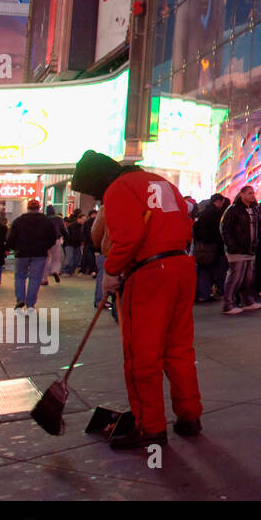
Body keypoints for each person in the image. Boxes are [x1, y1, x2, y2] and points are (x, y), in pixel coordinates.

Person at [71, 149, 203, 451]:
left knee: (142, 355)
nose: (97, 198)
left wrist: (112, 270)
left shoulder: (118, 189)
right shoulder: (162, 182)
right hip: (182, 267)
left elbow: (129, 236)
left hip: (149, 273)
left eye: (94, 192)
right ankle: (189, 416)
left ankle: (150, 427)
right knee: (179, 349)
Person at [219, 186, 261, 315]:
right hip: (237, 250)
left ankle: (247, 301)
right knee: (236, 277)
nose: (252, 196)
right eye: (250, 193)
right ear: (242, 194)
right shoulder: (233, 210)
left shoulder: (254, 210)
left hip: (250, 248)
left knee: (248, 278)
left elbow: (259, 227)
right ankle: (228, 304)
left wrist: (260, 240)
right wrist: (231, 245)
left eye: (253, 193)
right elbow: (225, 229)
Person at [6, 199, 56, 310]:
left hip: (22, 253)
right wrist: (46, 247)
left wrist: (13, 248)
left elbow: (11, 237)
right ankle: (30, 303)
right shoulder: (46, 221)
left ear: (28, 208)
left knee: (20, 276)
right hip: (39, 253)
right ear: (39, 208)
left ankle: (20, 299)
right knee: (35, 278)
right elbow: (53, 237)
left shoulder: (19, 221)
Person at [192, 194, 228, 302]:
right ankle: (209, 293)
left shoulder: (203, 213)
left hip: (202, 246)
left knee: (203, 270)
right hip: (212, 246)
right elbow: (218, 231)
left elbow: (196, 229)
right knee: (213, 270)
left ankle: (203, 293)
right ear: (218, 201)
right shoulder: (216, 214)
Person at [44, 205, 66, 284]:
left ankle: (44, 279)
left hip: (45, 240)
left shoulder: (44, 219)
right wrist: (66, 237)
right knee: (56, 258)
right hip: (56, 239)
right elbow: (63, 230)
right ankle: (55, 270)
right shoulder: (58, 219)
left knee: (45, 258)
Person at [62, 210, 84, 276]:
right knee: (69, 257)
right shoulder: (72, 226)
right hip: (70, 244)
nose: (84, 221)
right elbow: (67, 235)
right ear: (78, 219)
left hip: (77, 244)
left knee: (77, 258)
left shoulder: (82, 226)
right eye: (83, 219)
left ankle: (71, 271)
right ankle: (66, 271)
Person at [80, 208, 99, 277]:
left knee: (89, 257)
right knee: (89, 257)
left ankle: (88, 270)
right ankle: (90, 270)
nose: (94, 216)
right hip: (90, 243)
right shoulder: (92, 222)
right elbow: (84, 233)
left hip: (91, 243)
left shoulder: (87, 222)